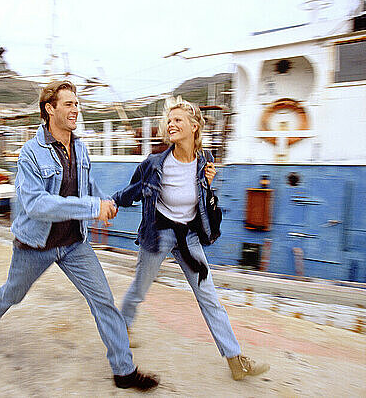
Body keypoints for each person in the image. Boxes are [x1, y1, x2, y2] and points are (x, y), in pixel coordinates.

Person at [0, 80, 158, 391]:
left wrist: (106, 204)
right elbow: (36, 205)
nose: (76, 109)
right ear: (50, 109)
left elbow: (87, 187)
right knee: (13, 294)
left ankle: (123, 371)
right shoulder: (30, 154)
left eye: (77, 104)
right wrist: (91, 207)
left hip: (73, 244)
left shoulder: (81, 147)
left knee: (103, 301)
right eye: (69, 104)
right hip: (36, 245)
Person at [112, 96, 270, 381]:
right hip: (158, 234)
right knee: (139, 287)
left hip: (189, 238)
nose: (171, 125)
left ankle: (235, 360)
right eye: (169, 121)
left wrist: (208, 186)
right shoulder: (154, 163)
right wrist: (110, 203)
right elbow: (133, 190)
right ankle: (122, 330)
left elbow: (206, 202)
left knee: (209, 298)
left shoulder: (206, 161)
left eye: (177, 120)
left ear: (194, 126)